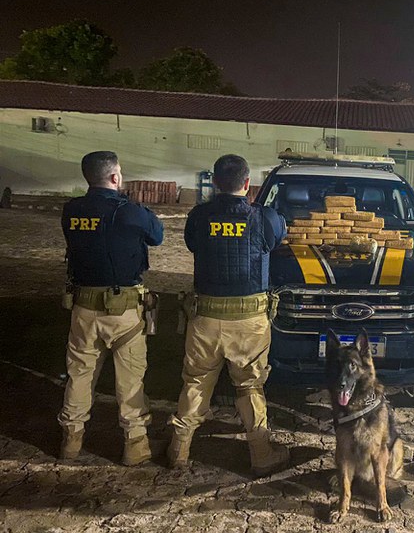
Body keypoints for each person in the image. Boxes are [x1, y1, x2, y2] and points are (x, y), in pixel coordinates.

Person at [167, 154, 289, 476]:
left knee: (195, 382)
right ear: (248, 184)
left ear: (216, 182)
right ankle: (261, 455)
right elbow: (279, 237)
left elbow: (194, 244)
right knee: (249, 387)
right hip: (249, 321)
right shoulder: (265, 218)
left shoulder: (198, 216)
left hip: (205, 317)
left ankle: (178, 449)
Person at [59, 151, 164, 465]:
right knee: (130, 379)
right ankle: (136, 446)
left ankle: (71, 442)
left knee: (79, 375)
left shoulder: (71, 210)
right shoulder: (129, 212)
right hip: (123, 311)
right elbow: (157, 235)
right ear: (116, 177)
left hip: (84, 307)